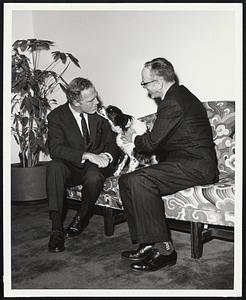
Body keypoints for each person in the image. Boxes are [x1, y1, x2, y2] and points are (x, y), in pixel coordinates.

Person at [119, 57, 219, 272]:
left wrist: (131, 138)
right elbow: (163, 140)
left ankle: (165, 251)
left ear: (158, 82)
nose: (145, 89)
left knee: (140, 180)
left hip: (196, 166)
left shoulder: (173, 101)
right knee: (127, 179)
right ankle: (147, 243)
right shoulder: (177, 96)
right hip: (185, 162)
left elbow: (151, 143)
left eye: (145, 83)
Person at [46, 77, 120, 253]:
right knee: (53, 167)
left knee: (94, 176)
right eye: (91, 100)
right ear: (76, 102)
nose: (97, 102)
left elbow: (113, 142)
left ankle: (82, 217)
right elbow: (55, 149)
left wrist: (107, 155)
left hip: (94, 168)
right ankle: (56, 230)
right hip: (71, 165)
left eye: (96, 97)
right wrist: (86, 155)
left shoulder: (101, 115)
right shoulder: (57, 117)